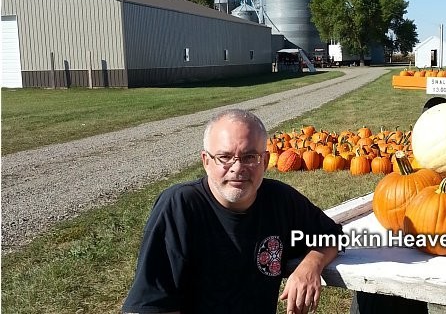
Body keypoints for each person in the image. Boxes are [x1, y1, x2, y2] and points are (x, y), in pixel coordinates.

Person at [122, 109, 342, 314]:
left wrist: (311, 265)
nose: (237, 168)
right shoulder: (180, 207)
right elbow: (151, 305)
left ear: (264, 161)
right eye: (225, 157)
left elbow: (332, 235)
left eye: (249, 157)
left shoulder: (280, 200)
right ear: (206, 161)